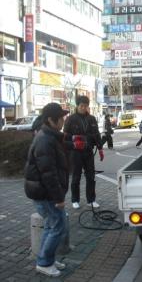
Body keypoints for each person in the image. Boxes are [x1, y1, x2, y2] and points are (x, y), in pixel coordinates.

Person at [24, 103, 70, 277]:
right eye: (61, 117)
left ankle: (47, 258)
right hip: (46, 194)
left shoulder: (50, 136)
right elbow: (48, 173)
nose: (63, 120)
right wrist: (58, 198)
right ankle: (44, 262)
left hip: (45, 192)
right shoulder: (45, 139)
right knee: (57, 226)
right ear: (51, 120)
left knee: (52, 226)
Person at [64, 95, 104, 209]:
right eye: (81, 106)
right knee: (76, 176)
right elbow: (65, 137)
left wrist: (100, 148)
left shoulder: (91, 119)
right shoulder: (70, 119)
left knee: (91, 176)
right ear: (77, 106)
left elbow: (96, 134)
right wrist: (72, 143)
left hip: (88, 151)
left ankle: (91, 200)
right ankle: (75, 200)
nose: (83, 108)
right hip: (75, 152)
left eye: (86, 106)